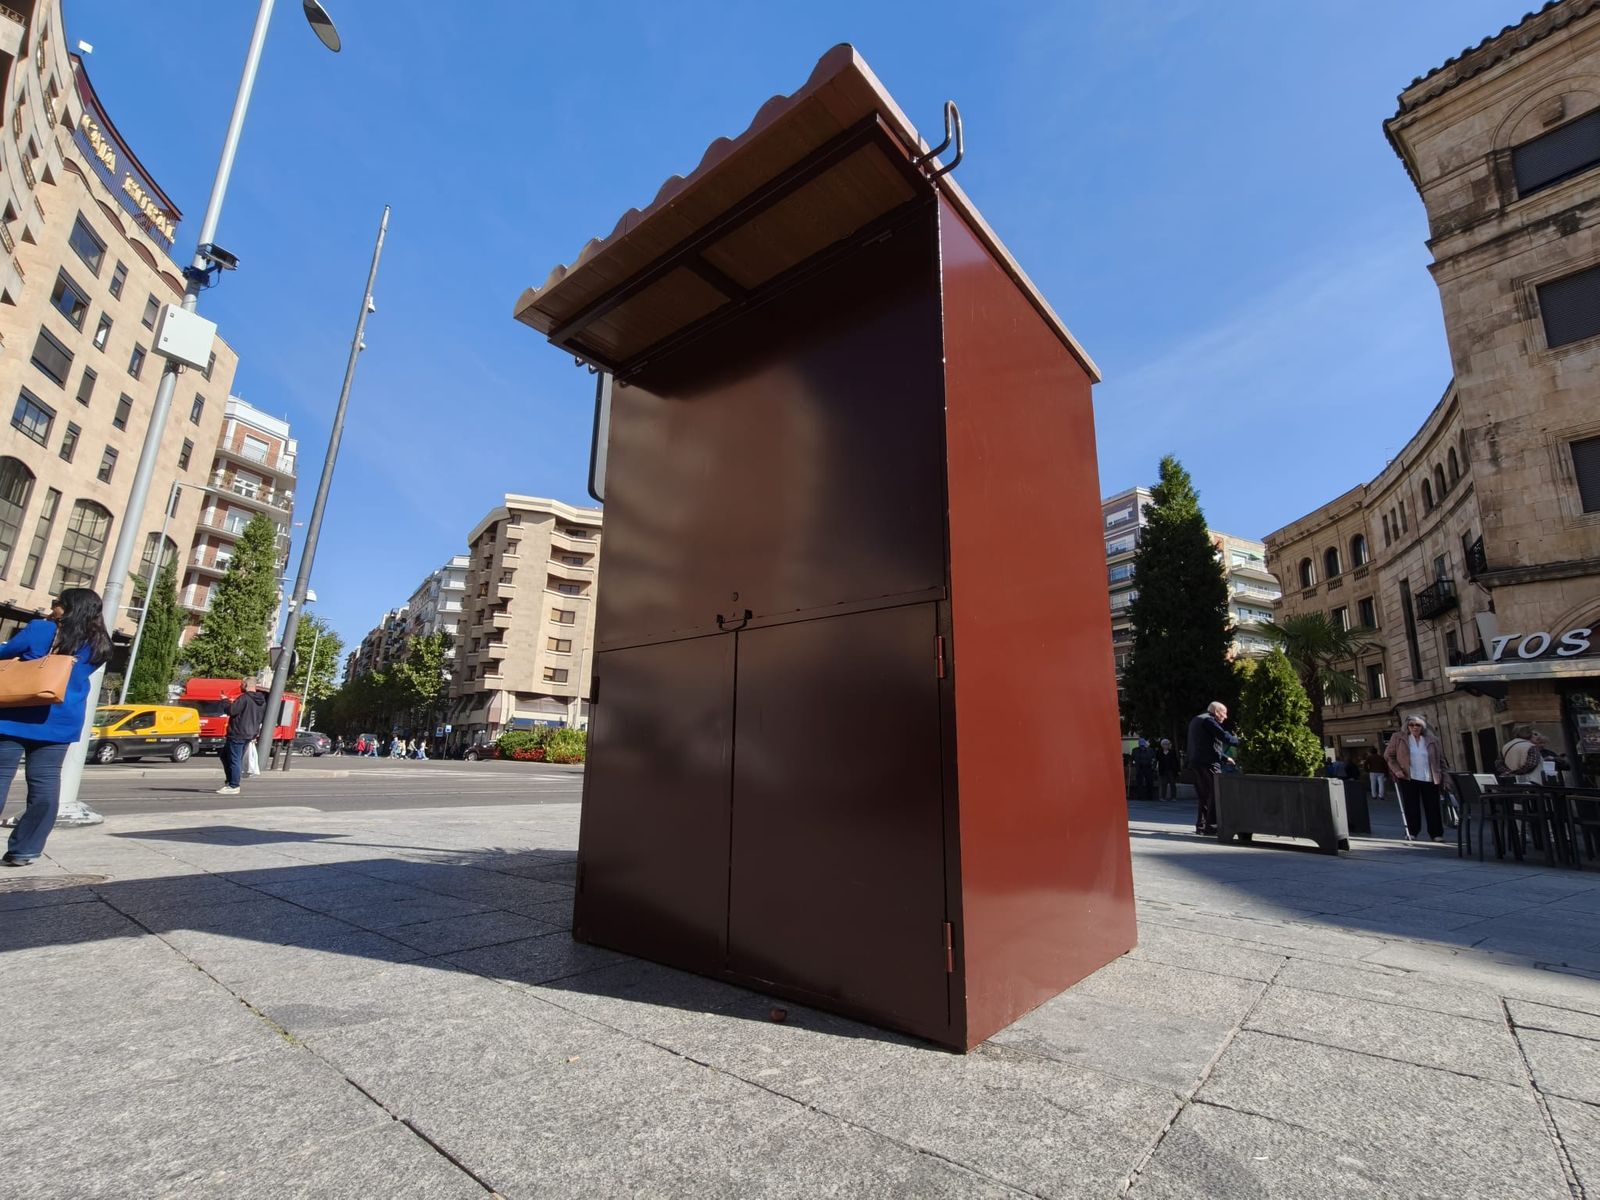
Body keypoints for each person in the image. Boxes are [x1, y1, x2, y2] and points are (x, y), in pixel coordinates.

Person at [0, 589, 112, 866]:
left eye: (57, 603)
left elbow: (5, 652)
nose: (53, 607)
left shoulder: (41, 629)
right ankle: (26, 849)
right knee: (46, 785)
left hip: (14, 716)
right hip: (60, 722)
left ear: (69, 607)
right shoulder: (99, 643)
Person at [1384, 714, 1449, 841]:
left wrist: (1446, 778)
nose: (1414, 727)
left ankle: (1436, 834)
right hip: (1408, 777)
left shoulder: (1432, 740)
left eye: (1417, 725)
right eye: (1411, 725)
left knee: (1433, 807)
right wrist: (1397, 770)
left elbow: (1441, 760)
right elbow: (1389, 756)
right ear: (1407, 726)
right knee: (1411, 806)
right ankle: (1412, 832)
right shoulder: (1398, 738)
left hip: (1430, 777)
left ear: (1423, 726)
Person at [1186, 701, 1240, 836]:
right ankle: (1211, 826)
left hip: (1196, 763)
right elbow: (1224, 737)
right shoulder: (1209, 721)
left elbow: (1204, 744)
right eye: (1224, 713)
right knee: (1216, 793)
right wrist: (1243, 741)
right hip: (1208, 764)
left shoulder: (1197, 720)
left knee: (1204, 795)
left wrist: (1224, 758)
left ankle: (1202, 825)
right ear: (1216, 712)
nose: (1225, 716)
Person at [218, 678, 267, 796]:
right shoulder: (261, 701)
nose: (241, 686)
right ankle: (231, 781)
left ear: (245, 685)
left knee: (234, 759)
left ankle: (233, 785)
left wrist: (225, 701)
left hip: (237, 732)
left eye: (242, 684)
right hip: (249, 733)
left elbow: (231, 710)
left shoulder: (244, 698)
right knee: (226, 756)